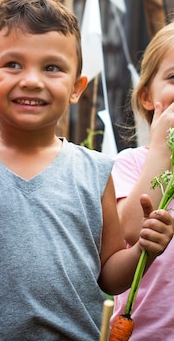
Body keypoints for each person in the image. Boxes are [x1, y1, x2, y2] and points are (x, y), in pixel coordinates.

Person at [0, 0, 174, 341]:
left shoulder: (95, 171)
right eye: (13, 65)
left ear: (77, 87)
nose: (31, 80)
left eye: (52, 68)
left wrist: (143, 251)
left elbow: (109, 275)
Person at [110, 22, 174, 339]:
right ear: (148, 97)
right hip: (145, 333)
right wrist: (162, 145)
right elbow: (132, 229)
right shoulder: (131, 163)